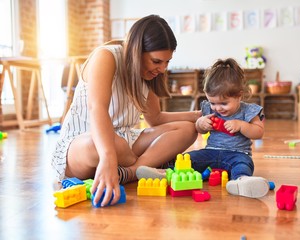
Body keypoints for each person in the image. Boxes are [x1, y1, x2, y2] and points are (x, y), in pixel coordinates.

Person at [51, 15, 200, 207]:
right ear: (137, 51)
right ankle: (145, 165)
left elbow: (155, 118)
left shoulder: (150, 74)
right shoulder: (106, 56)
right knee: (111, 144)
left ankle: (131, 172)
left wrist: (196, 116)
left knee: (188, 129)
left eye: (167, 62)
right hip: (84, 144)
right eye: (157, 61)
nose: (162, 69)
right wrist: (108, 157)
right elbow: (97, 109)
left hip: (125, 142)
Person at [187, 58, 269, 198]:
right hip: (211, 152)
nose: (217, 108)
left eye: (223, 103)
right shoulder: (208, 109)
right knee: (187, 158)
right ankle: (166, 172)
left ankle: (241, 181)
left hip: (237, 154)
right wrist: (201, 123)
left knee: (243, 164)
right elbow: (200, 130)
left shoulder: (248, 110)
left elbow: (258, 132)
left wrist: (242, 125)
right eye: (213, 102)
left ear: (239, 96)